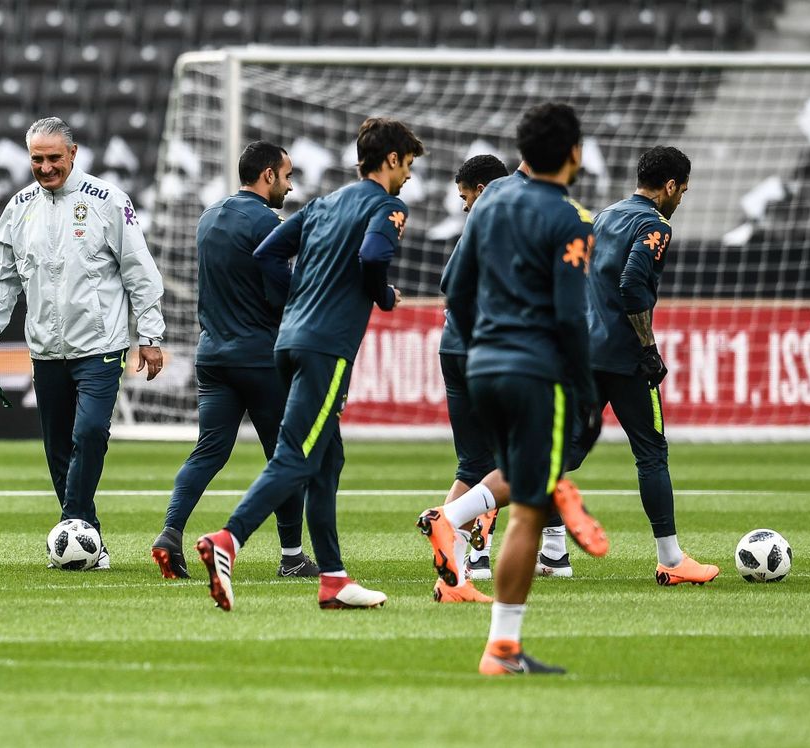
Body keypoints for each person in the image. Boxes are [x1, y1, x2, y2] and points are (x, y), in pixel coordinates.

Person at [195, 117, 423, 612]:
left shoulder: (324, 203)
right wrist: (382, 295)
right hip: (327, 347)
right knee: (295, 457)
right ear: (390, 160)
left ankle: (334, 578)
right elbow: (372, 256)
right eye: (407, 165)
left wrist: (300, 295)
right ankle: (227, 541)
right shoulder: (388, 206)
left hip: (287, 342)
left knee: (327, 458)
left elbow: (268, 252)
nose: (408, 176)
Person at [443, 102, 610, 675]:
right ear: (574, 154)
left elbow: (453, 288)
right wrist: (586, 392)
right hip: (536, 368)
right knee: (527, 512)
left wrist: (479, 343)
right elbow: (569, 317)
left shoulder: (487, 206)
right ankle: (502, 648)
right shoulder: (569, 220)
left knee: (521, 476)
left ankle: (551, 485)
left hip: (482, 366)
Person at [0, 117, 165, 567]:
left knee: (91, 431)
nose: (46, 166)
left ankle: (74, 521)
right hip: (45, 349)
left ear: (74, 154)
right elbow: (0, 277)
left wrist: (150, 335)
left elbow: (140, 272)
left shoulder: (108, 201)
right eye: (37, 158)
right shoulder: (18, 208)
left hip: (101, 345)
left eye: (54, 157)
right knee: (58, 447)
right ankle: (87, 539)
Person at [151, 141, 319, 580]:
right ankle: (291, 556)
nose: (289, 183)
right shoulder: (267, 221)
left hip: (213, 356)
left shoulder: (209, 215)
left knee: (208, 451)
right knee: (284, 456)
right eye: (286, 175)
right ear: (267, 175)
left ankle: (171, 532)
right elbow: (280, 292)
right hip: (260, 357)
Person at [564, 145, 719, 586]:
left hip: (587, 351)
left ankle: (478, 505)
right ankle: (670, 559)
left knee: (567, 451)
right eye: (682, 191)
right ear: (670, 186)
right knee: (651, 452)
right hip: (626, 358)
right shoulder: (655, 224)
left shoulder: (604, 216)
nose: (680, 200)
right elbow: (632, 284)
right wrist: (648, 347)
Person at [425, 154, 513, 604]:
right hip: (488, 352)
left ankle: (453, 577)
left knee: (473, 463)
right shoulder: (509, 212)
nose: (464, 207)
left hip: (453, 348)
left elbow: (448, 280)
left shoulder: (484, 219)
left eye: (464, 197)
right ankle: (551, 552)